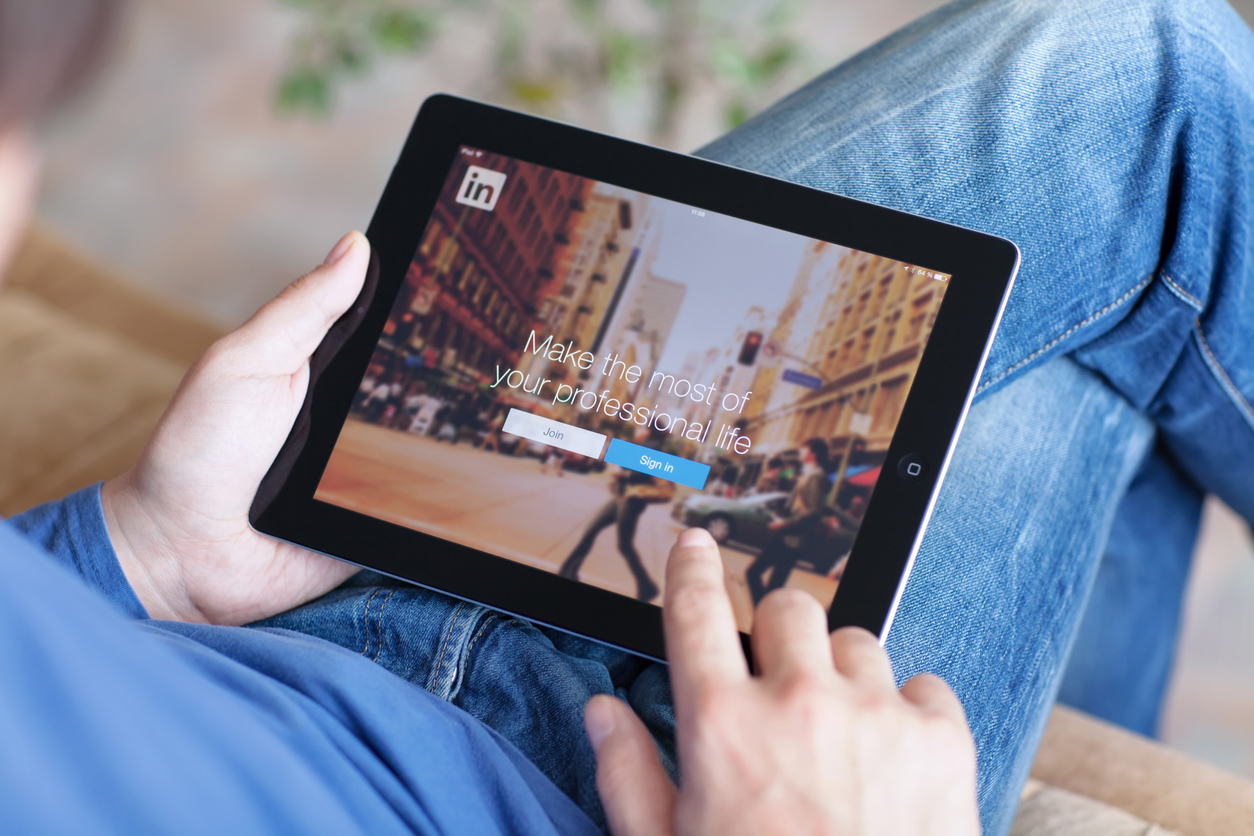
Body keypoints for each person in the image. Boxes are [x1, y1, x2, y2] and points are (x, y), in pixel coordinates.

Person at [3, 0, 1254, 834]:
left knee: (1094, 189)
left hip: (301, 614)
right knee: (1159, 116)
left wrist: (138, 550)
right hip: (639, 796)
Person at [745, 438, 851, 605]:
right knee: (761, 578)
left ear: (813, 453)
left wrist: (784, 523)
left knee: (764, 580)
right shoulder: (807, 473)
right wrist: (781, 518)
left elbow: (814, 511)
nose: (800, 452)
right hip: (786, 536)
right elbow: (796, 505)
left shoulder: (817, 476)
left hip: (794, 539)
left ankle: (762, 612)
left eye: (804, 449)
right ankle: (762, 611)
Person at [559, 464, 675, 601]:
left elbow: (652, 479)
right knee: (591, 530)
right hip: (618, 498)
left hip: (631, 501)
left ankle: (647, 587)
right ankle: (568, 571)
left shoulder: (652, 450)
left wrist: (628, 478)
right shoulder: (634, 448)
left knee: (625, 546)